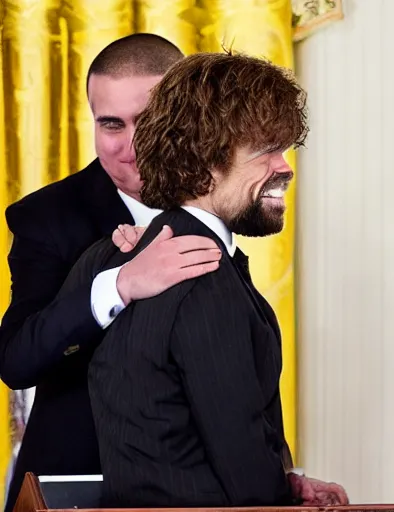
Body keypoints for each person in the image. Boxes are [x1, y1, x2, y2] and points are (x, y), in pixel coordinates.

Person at [57, 51, 348, 508]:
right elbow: (239, 448)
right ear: (203, 163)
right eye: (265, 151)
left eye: (285, 148)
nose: (285, 167)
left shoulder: (112, 254)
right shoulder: (203, 276)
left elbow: (181, 436)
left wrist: (287, 480)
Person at [0, 33, 223, 512]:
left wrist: (280, 474)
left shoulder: (225, 195)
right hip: (81, 487)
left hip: (207, 490)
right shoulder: (47, 216)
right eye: (111, 124)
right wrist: (120, 284)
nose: (132, 146)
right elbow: (17, 360)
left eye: (150, 122)